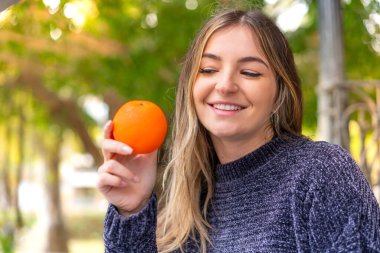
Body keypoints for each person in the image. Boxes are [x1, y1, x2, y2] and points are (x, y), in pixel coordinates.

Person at [97, 9, 380, 253]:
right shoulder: (188, 203)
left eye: (250, 72)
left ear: (281, 91)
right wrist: (132, 210)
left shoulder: (321, 174)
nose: (225, 85)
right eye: (208, 69)